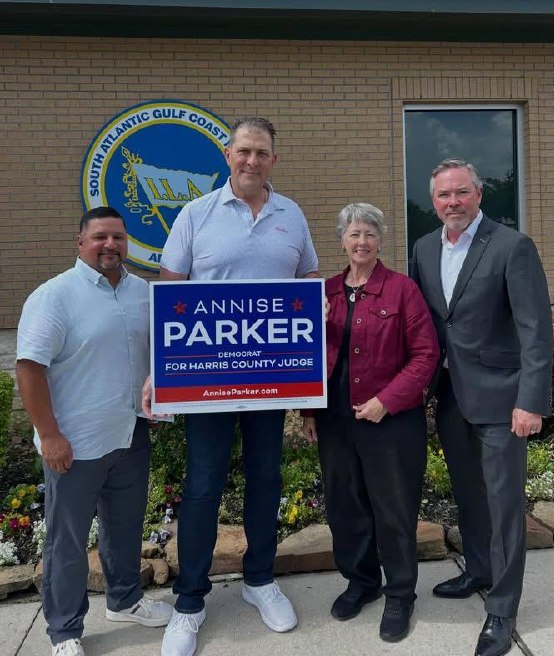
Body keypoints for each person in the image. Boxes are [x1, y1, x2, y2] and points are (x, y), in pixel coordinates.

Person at [156, 116, 319, 656]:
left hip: (271, 380)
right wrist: (159, 369)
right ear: (228, 155)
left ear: (275, 159)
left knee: (266, 479)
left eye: (262, 153)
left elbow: (305, 290)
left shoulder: (290, 215)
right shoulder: (196, 214)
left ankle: (259, 580)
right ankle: (190, 600)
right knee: (202, 486)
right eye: (244, 151)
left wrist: (309, 377)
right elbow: (170, 293)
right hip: (207, 381)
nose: (252, 160)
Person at [410, 159, 553, 656]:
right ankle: (479, 570)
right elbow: (425, 324)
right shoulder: (423, 249)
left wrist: (530, 401)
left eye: (462, 193)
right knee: (469, 496)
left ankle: (501, 610)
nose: (453, 202)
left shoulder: (512, 246)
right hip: (450, 396)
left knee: (504, 505)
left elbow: (537, 330)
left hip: (502, 397)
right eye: (444, 195)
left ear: (479, 193)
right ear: (434, 202)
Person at [15, 207, 172, 656]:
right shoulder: (54, 296)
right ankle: (64, 631)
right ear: (80, 242)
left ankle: (124, 600)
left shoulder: (143, 292)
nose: (110, 245)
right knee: (66, 542)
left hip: (130, 434)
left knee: (123, 530)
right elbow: (29, 369)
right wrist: (49, 435)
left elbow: (160, 353)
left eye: (118, 237)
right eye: (100, 236)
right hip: (74, 444)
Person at [302, 203, 439, 643]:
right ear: (341, 240)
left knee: (394, 509)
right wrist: (308, 409)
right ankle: (362, 581)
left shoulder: (402, 290)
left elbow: (426, 356)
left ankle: (400, 594)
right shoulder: (324, 293)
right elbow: (304, 354)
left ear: (380, 240)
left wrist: (387, 400)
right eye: (354, 234)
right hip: (336, 421)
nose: (362, 242)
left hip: (390, 421)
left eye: (370, 234)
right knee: (345, 507)